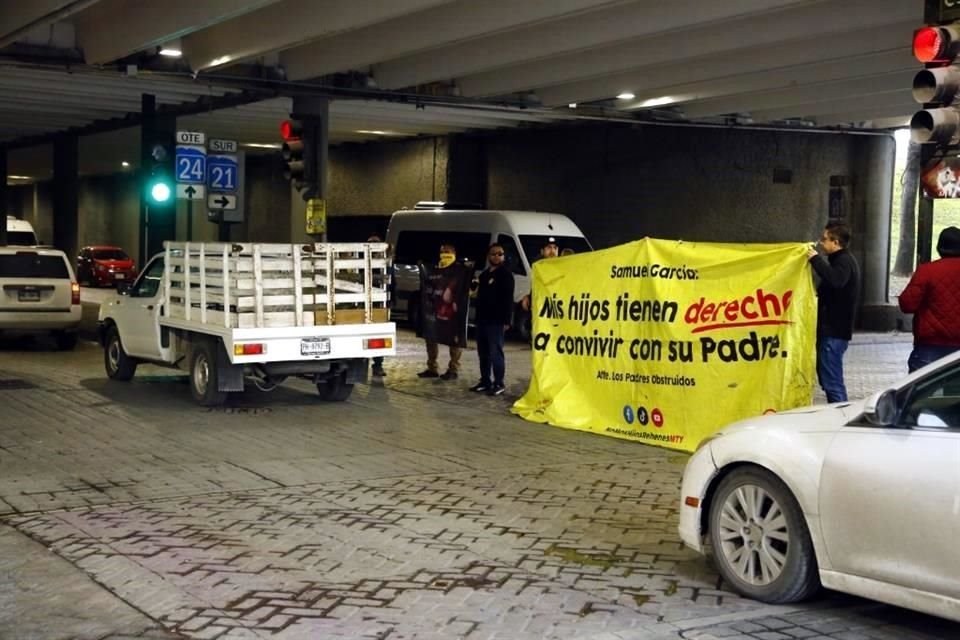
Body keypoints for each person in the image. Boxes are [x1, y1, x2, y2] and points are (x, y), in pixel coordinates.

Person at [807, 222, 860, 403]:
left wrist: (815, 259)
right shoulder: (842, 261)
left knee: (832, 383)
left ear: (835, 242)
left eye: (824, 239)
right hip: (833, 331)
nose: (821, 243)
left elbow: (836, 280)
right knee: (829, 379)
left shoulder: (843, 262)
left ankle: (840, 419)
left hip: (834, 332)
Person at [898, 226, 960, 372]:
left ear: (939, 247)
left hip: (930, 344)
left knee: (922, 391)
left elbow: (907, 304)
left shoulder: (927, 271)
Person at [470, 243, 515, 396]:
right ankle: (485, 381)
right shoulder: (484, 275)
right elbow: (476, 294)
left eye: (499, 254)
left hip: (496, 321)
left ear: (503, 256)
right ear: (488, 256)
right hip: (482, 319)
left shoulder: (506, 274)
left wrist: (507, 321)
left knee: (496, 352)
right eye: (493, 254)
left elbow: (508, 300)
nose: (496, 256)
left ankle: (499, 383)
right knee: (483, 352)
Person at [417, 242, 464, 380]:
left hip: (451, 312)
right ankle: (432, 368)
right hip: (435, 310)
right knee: (430, 338)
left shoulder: (460, 270)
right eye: (442, 252)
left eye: (448, 252)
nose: (445, 254)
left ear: (454, 254)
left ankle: (453, 369)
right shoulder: (435, 268)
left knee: (454, 341)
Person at [521, 237, 559, 312]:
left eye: (555, 248)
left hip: (556, 309)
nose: (552, 251)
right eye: (549, 247)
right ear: (542, 251)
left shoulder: (563, 268)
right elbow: (537, 288)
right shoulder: (537, 268)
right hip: (542, 309)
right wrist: (529, 297)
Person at [368, 234, 387, 377]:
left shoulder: (384, 264)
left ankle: (378, 364)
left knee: (379, 334)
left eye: (376, 244)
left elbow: (391, 282)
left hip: (379, 304)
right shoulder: (361, 262)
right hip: (365, 304)